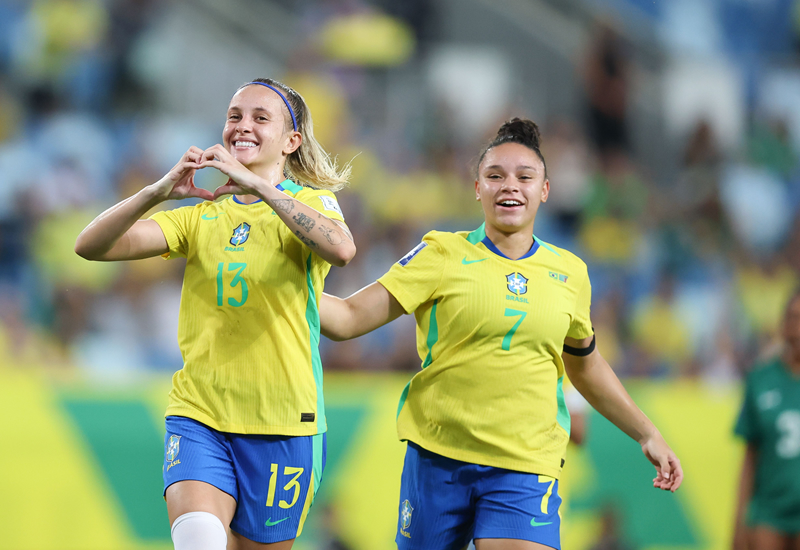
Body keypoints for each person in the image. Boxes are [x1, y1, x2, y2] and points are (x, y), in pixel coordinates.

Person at [319, 118, 683, 550]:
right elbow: (346, 319)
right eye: (495, 176)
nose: (510, 186)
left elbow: (586, 367)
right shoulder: (441, 253)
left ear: (544, 190)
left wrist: (647, 433)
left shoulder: (570, 273)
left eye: (525, 177)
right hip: (438, 459)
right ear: (477, 188)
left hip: (524, 465)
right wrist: (279, 288)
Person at [75, 78, 356, 550]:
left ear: (292, 142)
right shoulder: (201, 213)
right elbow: (91, 246)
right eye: (234, 116)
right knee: (200, 539)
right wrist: (158, 191)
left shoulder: (310, 203)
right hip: (200, 413)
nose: (242, 126)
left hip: (284, 423)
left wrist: (261, 189)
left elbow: (342, 248)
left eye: (259, 118)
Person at [733, 291, 800, 550]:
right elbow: (749, 457)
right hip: (769, 511)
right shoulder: (760, 379)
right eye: (792, 318)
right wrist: (739, 522)